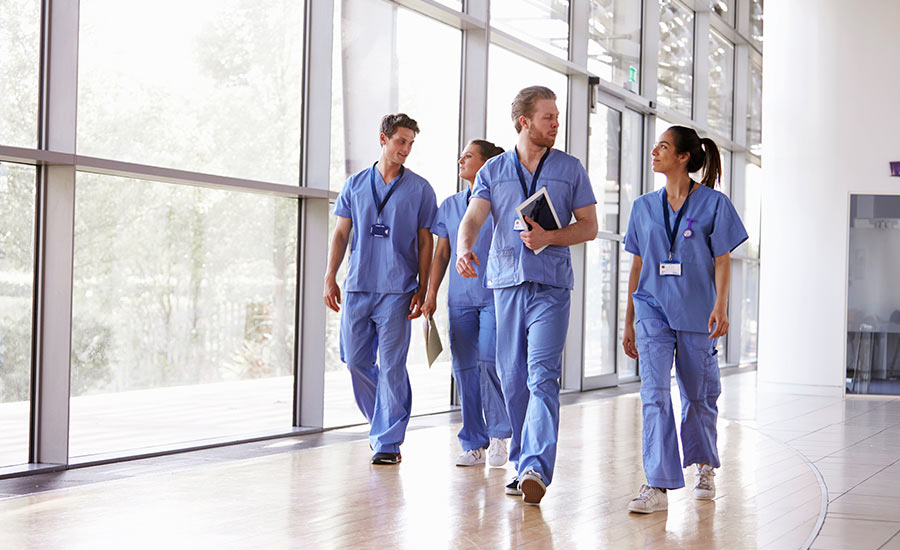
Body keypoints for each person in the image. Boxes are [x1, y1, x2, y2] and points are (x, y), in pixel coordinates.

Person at [456, 86, 598, 504]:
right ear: (525, 122)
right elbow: (473, 218)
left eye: (556, 117)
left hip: (551, 286)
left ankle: (536, 464)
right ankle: (521, 462)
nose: (557, 123)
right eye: (548, 117)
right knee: (513, 379)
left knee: (541, 376)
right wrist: (465, 249)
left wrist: (550, 236)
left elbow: (588, 225)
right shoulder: (493, 171)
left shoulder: (570, 169)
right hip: (506, 285)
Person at [622, 125, 748, 513]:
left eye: (663, 146)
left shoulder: (714, 204)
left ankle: (704, 465)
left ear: (683, 157)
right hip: (652, 311)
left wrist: (721, 305)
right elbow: (638, 263)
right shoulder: (643, 206)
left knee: (698, 396)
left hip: (697, 311)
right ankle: (657, 485)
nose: (654, 151)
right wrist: (628, 319)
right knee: (654, 395)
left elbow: (723, 259)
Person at [324, 113, 437, 466]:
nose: (406, 149)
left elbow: (425, 242)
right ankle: (381, 423)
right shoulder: (355, 184)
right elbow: (342, 233)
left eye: (411, 144)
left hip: (398, 289)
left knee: (391, 366)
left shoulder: (420, 189)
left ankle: (388, 440)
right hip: (358, 286)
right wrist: (330, 276)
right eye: (401, 141)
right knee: (355, 361)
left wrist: (423, 286)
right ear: (383, 139)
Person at [422, 139, 511, 468]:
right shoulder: (449, 205)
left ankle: (500, 433)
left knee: (488, 361)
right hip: (459, 300)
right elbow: (442, 253)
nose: (461, 159)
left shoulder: (502, 203)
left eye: (469, 155)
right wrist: (431, 294)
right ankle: (474, 441)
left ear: (487, 164)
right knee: (464, 370)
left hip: (494, 296)